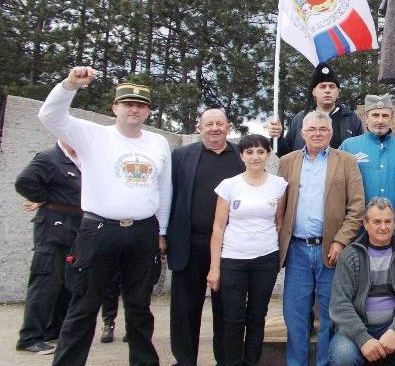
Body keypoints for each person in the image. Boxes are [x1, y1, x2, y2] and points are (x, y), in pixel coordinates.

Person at [38, 68, 171, 366]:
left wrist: (161, 232)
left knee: (139, 306)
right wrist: (70, 84)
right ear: (115, 108)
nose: (134, 109)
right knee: (84, 305)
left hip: (142, 232)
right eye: (128, 104)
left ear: (148, 111)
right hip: (99, 230)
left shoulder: (158, 143)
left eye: (141, 105)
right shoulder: (91, 133)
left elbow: (165, 189)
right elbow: (50, 116)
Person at [277, 111, 365, 366]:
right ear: (302, 133)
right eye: (311, 129)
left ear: (331, 133)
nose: (317, 133)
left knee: (331, 315)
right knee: (295, 316)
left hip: (332, 250)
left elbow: (357, 207)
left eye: (322, 129)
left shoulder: (346, 161)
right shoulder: (287, 162)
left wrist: (340, 240)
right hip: (296, 250)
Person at [168, 108, 245, 365]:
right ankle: (185, 360)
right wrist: (163, 235)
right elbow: (168, 197)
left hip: (229, 248)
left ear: (228, 127)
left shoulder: (241, 157)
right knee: (185, 311)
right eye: (209, 123)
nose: (214, 128)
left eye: (220, 124)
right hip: (189, 244)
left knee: (226, 311)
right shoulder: (180, 157)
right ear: (199, 127)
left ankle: (225, 360)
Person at [206, 134, 287, 366]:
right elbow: (218, 228)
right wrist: (214, 268)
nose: (255, 157)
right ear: (241, 156)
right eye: (249, 152)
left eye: (261, 152)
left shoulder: (279, 185)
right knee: (232, 318)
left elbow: (279, 223)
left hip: (265, 260)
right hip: (233, 260)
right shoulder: (229, 186)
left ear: (268, 155)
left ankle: (252, 361)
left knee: (256, 317)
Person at [328, 198, 395, 366]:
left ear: (394, 223)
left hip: (392, 326)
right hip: (357, 329)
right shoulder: (350, 255)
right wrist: (363, 339)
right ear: (365, 224)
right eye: (376, 221)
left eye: (388, 221)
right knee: (342, 355)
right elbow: (339, 304)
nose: (383, 227)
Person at [14, 141, 82, 355]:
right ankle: (30, 337)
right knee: (45, 280)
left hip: (75, 226)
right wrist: (45, 199)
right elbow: (24, 182)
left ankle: (53, 330)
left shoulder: (79, 161)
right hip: (53, 225)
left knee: (65, 282)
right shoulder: (49, 157)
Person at [340, 93, 395, 239]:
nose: (380, 120)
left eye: (385, 115)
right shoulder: (349, 146)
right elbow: (339, 190)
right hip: (358, 231)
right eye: (375, 115)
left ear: (392, 118)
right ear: (366, 117)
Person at [268, 62, 363, 156]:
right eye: (322, 87)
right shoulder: (300, 119)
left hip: (342, 170)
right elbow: (285, 154)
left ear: (338, 92)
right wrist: (278, 137)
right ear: (313, 91)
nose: (327, 90)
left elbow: (361, 153)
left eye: (331, 86)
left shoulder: (351, 119)